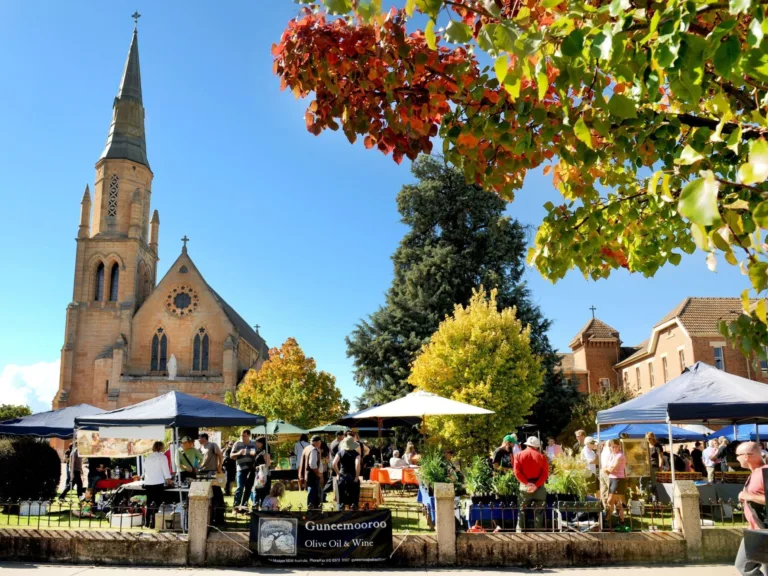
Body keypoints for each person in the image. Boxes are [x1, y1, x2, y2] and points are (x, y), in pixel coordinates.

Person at [734, 442, 768, 576]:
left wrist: (748, 495)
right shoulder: (755, 473)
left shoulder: (764, 472)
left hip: (763, 530)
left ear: (747, 456)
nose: (737, 459)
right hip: (756, 530)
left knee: (745, 566)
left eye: (738, 455)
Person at [513, 436, 549, 531]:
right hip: (539, 486)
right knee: (539, 510)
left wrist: (527, 483)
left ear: (527, 444)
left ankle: (520, 532)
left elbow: (517, 472)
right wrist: (536, 485)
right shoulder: (541, 456)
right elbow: (545, 474)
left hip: (525, 486)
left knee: (522, 510)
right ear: (537, 446)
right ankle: (538, 532)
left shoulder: (519, 455)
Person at [143, 441, 173, 528]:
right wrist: (169, 480)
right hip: (158, 482)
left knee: (149, 503)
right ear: (161, 448)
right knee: (157, 502)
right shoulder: (162, 457)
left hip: (148, 482)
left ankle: (147, 522)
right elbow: (166, 470)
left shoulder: (148, 457)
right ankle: (154, 522)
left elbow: (145, 469)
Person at [198, 433, 225, 524]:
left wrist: (220, 466)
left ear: (204, 438)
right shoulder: (199, 448)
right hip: (202, 473)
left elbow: (220, 454)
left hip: (212, 472)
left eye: (200, 437)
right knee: (206, 495)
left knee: (217, 493)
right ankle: (209, 516)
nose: (198, 439)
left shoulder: (212, 445)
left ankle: (220, 518)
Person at [603, 439, 627, 529]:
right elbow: (606, 467)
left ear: (619, 447)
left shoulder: (620, 456)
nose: (614, 448)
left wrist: (607, 469)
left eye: (616, 447)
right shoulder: (612, 455)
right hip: (612, 479)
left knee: (611, 500)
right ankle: (618, 520)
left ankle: (608, 520)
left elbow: (611, 469)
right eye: (612, 447)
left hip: (618, 480)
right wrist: (607, 469)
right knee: (613, 502)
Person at [333, 435, 362, 509]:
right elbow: (357, 464)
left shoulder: (340, 452)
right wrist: (356, 476)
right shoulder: (356, 454)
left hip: (342, 475)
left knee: (341, 496)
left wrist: (338, 474)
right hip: (352, 476)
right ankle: (354, 507)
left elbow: (334, 463)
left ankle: (341, 508)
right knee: (354, 495)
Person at [231, 429, 257, 509]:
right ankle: (236, 506)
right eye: (241, 436)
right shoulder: (237, 443)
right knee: (240, 487)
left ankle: (244, 505)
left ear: (249, 435)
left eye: (244, 436)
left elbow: (257, 453)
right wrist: (239, 453)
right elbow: (231, 455)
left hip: (251, 469)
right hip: (241, 468)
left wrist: (255, 455)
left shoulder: (254, 443)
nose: (242, 437)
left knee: (248, 487)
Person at [302, 435, 324, 508]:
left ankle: (311, 507)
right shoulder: (313, 450)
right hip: (313, 474)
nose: (320, 443)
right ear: (317, 442)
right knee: (314, 493)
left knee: (311, 491)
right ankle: (313, 509)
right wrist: (318, 473)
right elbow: (312, 464)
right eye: (320, 441)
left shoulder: (307, 448)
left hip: (308, 474)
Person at [250, 436, 272, 505]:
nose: (256, 444)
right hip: (259, 474)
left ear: (262, 443)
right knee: (257, 490)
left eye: (257, 442)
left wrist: (259, 467)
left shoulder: (265, 452)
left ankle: (260, 506)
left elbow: (268, 464)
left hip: (263, 474)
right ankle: (256, 505)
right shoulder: (260, 451)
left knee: (260, 491)